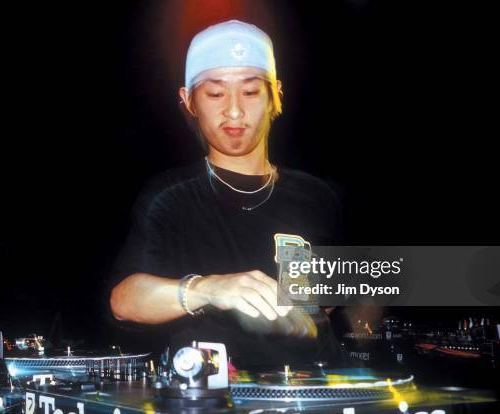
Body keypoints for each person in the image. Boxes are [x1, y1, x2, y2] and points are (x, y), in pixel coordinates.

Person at [108, 20, 345, 368]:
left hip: (319, 390)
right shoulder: (170, 196)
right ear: (188, 100)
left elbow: (328, 299)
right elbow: (124, 301)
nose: (234, 110)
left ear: (275, 94)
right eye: (215, 93)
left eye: (250, 92)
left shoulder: (318, 196)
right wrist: (209, 289)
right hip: (215, 395)